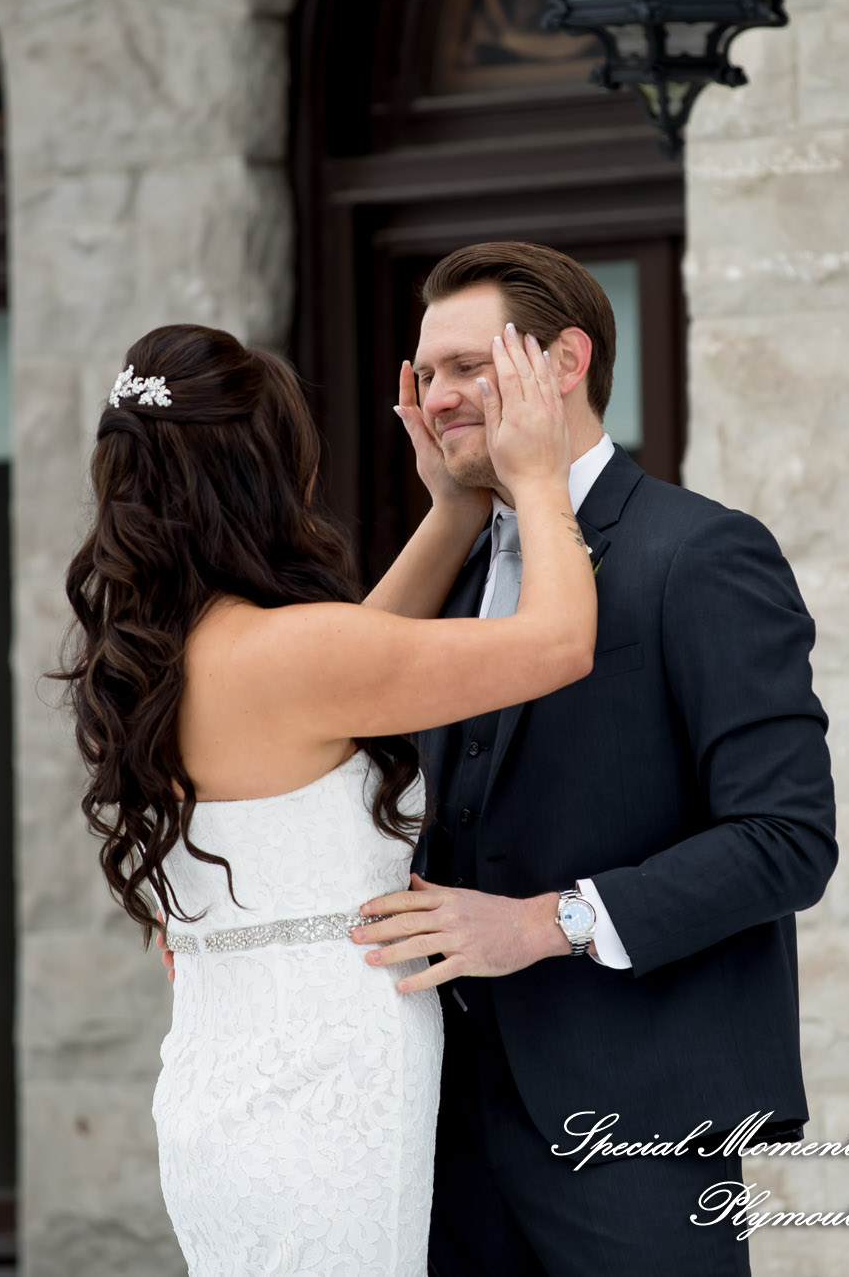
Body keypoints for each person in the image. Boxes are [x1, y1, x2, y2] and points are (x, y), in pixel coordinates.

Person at [51, 320, 596, 1277]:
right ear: (258, 475)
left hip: (218, 1089)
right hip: (327, 1097)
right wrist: (541, 476)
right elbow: (557, 643)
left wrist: (453, 514)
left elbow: (351, 672)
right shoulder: (290, 652)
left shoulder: (159, 656)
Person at [353, 242, 838, 1276]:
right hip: (438, 1121)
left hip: (633, 1119)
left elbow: (787, 839)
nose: (436, 397)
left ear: (566, 362)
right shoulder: (448, 569)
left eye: (468, 366)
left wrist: (543, 923)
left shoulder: (700, 553)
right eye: (425, 373)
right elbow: (342, 735)